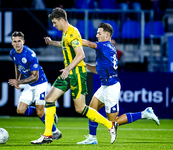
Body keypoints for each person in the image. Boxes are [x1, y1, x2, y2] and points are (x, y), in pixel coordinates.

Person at [31, 7, 118, 145]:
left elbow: (81, 54)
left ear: (61, 20)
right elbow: (66, 45)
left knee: (80, 108)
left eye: (54, 22)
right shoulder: (67, 33)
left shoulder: (71, 33)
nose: (54, 25)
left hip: (76, 73)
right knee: (49, 99)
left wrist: (68, 68)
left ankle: (110, 125)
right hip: (69, 73)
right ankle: (48, 135)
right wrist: (52, 42)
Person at [77, 23, 160, 145]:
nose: (97, 35)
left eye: (99, 33)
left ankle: (144, 113)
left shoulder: (104, 46)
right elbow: (98, 70)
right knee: (92, 109)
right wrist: (86, 66)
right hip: (105, 86)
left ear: (107, 35)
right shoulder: (109, 48)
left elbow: (89, 44)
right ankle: (92, 138)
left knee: (113, 121)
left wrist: (74, 39)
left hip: (111, 87)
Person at [8, 31, 61, 141]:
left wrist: (19, 82)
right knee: (20, 110)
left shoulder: (30, 54)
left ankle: (54, 132)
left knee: (39, 112)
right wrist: (17, 80)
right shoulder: (12, 53)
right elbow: (16, 65)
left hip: (40, 83)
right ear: (12, 42)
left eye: (19, 41)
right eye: (15, 41)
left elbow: (35, 77)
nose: (17, 43)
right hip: (29, 84)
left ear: (23, 41)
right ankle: (47, 114)